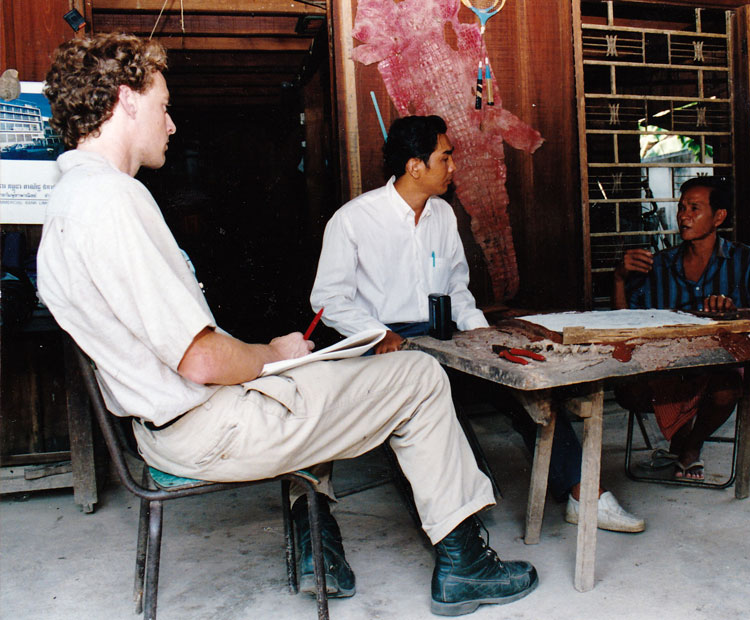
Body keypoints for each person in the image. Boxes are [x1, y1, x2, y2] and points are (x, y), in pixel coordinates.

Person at [37, 33, 538, 617]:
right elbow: (201, 359)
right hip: (209, 428)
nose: (171, 125)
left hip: (170, 426)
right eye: (163, 106)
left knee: (323, 377)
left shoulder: (72, 202)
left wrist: (286, 361)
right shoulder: (113, 202)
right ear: (125, 100)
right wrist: (273, 353)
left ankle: (317, 543)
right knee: (418, 378)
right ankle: (465, 568)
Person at [311, 115, 644, 533]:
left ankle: (584, 495)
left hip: (442, 331)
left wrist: (480, 334)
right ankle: (460, 520)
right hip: (384, 341)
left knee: (524, 378)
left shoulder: (443, 216)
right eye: (445, 158)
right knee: (435, 404)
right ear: (416, 166)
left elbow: (456, 286)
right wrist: (380, 333)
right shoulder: (354, 219)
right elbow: (328, 299)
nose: (453, 168)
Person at [612, 175, 750, 480]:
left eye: (694, 208)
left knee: (728, 387)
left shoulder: (747, 261)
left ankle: (691, 445)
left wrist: (734, 313)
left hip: (719, 369)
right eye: (681, 208)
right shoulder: (659, 265)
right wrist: (620, 278)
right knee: (627, 390)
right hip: (668, 369)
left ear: (718, 217)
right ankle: (681, 436)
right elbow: (622, 324)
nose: (683, 216)